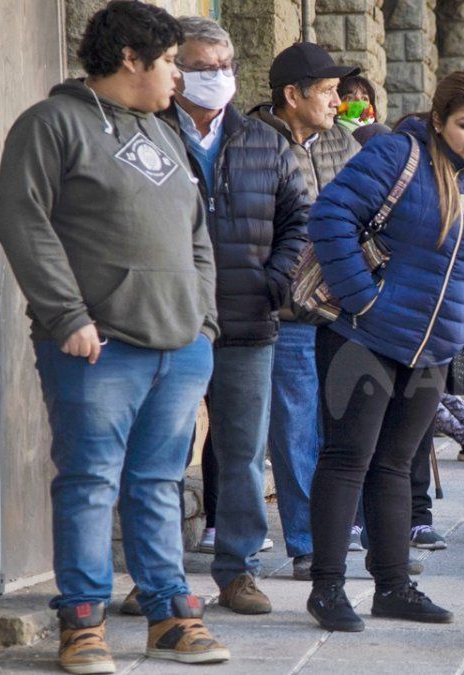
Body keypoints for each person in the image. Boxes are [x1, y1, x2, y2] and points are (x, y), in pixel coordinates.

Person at [0, 2, 229, 670]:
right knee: (90, 481)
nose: (178, 80)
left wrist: (203, 324)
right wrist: (66, 315)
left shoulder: (161, 133)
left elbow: (196, 235)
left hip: (179, 345)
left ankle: (167, 615)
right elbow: (23, 219)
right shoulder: (52, 122)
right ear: (131, 57)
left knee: (159, 482)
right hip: (97, 347)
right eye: (169, 64)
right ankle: (83, 619)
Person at [305, 70, 464, 632]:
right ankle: (326, 588)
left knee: (398, 464)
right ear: (439, 121)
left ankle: (394, 585)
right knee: (348, 458)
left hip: (433, 348)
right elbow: (330, 217)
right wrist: (362, 299)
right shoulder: (400, 154)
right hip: (363, 337)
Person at [157, 14, 310, 618]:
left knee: (245, 452)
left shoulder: (261, 139)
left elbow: (299, 218)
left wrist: (276, 281)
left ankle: (238, 571)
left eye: (225, 68)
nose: (216, 78)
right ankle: (158, 573)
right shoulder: (152, 135)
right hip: (171, 321)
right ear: (175, 71)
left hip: (249, 320)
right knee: (164, 452)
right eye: (201, 67)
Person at [248, 43, 362, 581]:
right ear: (292, 96)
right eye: (329, 92)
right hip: (286, 313)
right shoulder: (249, 143)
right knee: (295, 432)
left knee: (343, 426)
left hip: (343, 310)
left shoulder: (343, 142)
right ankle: (307, 543)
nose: (339, 102)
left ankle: (342, 532)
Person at [338, 74, 391, 144]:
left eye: (364, 98)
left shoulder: (381, 133)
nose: (359, 101)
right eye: (349, 98)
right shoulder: (328, 136)